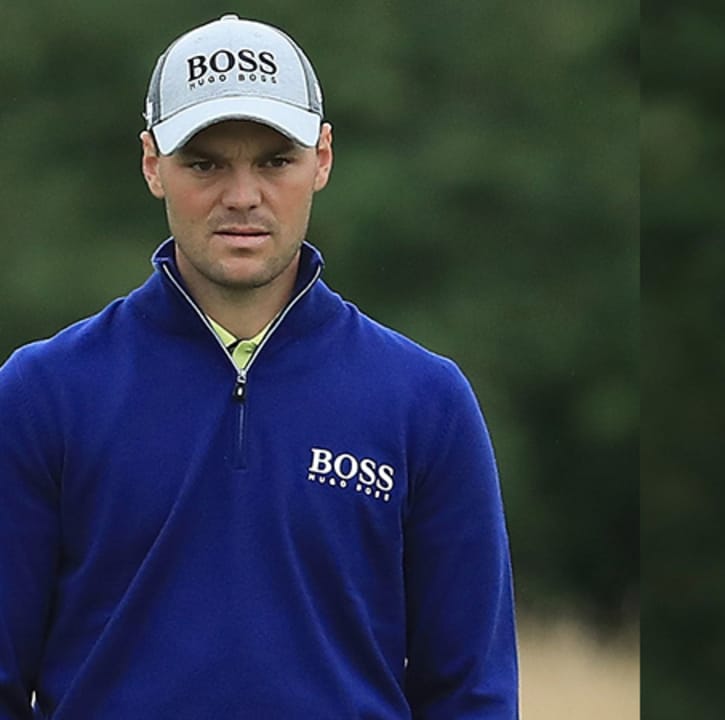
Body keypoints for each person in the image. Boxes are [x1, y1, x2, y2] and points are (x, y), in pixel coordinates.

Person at [0, 15, 517, 718]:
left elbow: (472, 695)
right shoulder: (41, 395)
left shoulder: (425, 401)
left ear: (323, 158)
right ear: (153, 163)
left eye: (275, 160)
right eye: (205, 163)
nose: (242, 196)